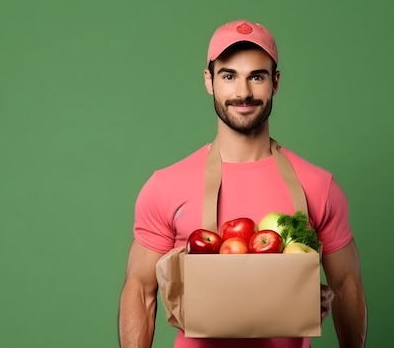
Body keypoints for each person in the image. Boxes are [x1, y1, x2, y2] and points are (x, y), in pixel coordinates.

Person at [118, 19, 367, 348]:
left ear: (275, 83)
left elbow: (348, 282)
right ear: (209, 81)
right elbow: (139, 289)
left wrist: (313, 296)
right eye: (229, 76)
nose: (244, 92)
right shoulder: (166, 186)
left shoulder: (318, 185)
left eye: (257, 76)